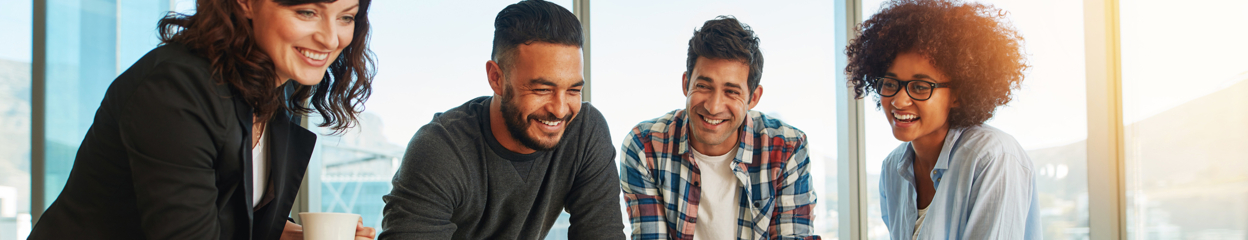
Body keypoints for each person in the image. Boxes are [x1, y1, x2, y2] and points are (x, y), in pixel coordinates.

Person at [27, 0, 377, 239]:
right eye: (306, 12)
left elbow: (220, 211)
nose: (331, 38)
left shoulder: (272, 92)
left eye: (346, 16)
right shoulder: (177, 89)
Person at [378, 1, 624, 239]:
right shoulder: (440, 150)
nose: (560, 110)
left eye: (573, 91)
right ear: (496, 78)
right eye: (541, 90)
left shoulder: (585, 130)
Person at [844, 0, 1042, 239]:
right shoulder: (892, 168)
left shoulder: (992, 157)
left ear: (957, 95)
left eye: (919, 86)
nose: (898, 101)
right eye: (890, 83)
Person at [619, 16, 820, 240]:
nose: (713, 107)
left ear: (753, 97)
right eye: (703, 86)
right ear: (686, 84)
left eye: (731, 92)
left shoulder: (788, 148)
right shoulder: (645, 147)